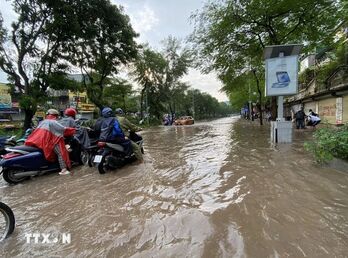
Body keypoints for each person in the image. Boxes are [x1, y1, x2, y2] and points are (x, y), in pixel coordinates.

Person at [25, 109, 76, 175]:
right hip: (49, 141)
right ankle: (63, 169)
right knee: (61, 153)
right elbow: (63, 129)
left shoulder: (43, 122)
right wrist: (73, 130)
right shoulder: (53, 122)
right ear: (56, 116)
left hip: (39, 140)